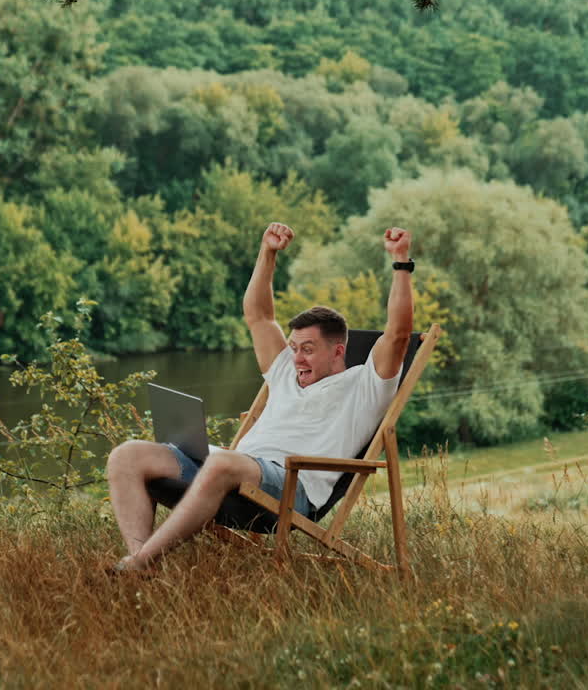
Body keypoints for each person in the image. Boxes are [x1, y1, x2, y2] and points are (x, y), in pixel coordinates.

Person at [105, 221, 416, 573]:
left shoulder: (366, 385)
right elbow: (258, 316)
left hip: (290, 487)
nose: (297, 357)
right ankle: (139, 558)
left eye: (308, 349)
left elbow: (399, 333)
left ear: (338, 351)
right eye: (294, 347)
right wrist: (267, 252)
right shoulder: (286, 370)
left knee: (224, 462)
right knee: (126, 455)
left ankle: (139, 564)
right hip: (234, 472)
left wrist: (401, 261)